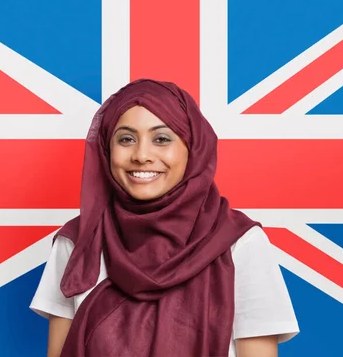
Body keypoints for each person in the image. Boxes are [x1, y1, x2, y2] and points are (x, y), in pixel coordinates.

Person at [30, 79, 299, 357]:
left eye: (161, 139)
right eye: (126, 139)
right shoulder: (79, 240)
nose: (142, 155)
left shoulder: (239, 242)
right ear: (107, 150)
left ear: (192, 147)